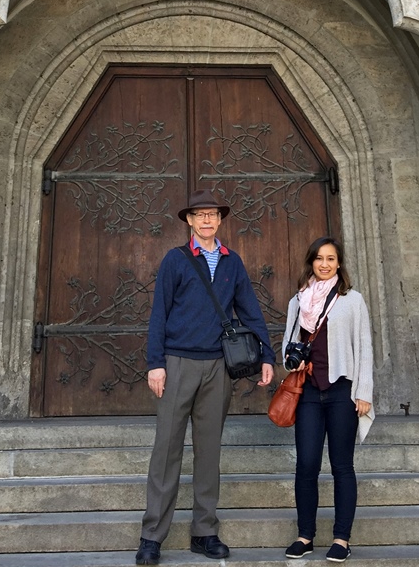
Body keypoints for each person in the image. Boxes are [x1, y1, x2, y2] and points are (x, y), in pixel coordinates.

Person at [136, 189, 275, 565]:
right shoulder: (175, 260)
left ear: (220, 219)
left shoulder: (232, 262)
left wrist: (267, 354)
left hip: (218, 366)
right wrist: (155, 363)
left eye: (212, 214)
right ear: (189, 221)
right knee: (166, 450)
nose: (207, 220)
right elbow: (159, 314)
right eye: (199, 215)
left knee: (209, 452)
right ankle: (152, 536)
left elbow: (250, 310)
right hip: (178, 363)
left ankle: (205, 531)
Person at [281, 236, 373, 562]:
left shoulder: (352, 300)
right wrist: (293, 361)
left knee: (342, 466)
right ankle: (305, 536)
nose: (324, 264)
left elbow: (364, 348)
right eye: (319, 258)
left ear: (339, 263)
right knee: (306, 465)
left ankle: (341, 539)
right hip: (307, 392)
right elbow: (288, 346)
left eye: (331, 259)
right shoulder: (298, 301)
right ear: (311, 261)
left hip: (340, 392)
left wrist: (364, 393)